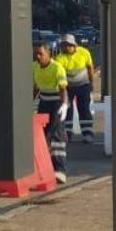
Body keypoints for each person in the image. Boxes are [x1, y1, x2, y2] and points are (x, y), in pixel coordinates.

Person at [32, 42, 69, 184]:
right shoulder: (34, 67)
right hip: (44, 102)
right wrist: (30, 103)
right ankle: (47, 168)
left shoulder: (57, 68)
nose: (37, 56)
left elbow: (63, 89)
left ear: (48, 53)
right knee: (43, 135)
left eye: (40, 54)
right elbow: (35, 87)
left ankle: (60, 170)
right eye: (35, 54)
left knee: (56, 135)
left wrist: (64, 105)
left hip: (57, 103)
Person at [56, 33, 100, 143]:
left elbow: (90, 68)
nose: (67, 47)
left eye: (69, 45)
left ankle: (87, 133)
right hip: (68, 87)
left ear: (74, 45)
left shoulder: (84, 53)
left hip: (83, 85)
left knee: (84, 108)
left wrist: (91, 82)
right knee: (68, 109)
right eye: (64, 45)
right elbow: (60, 74)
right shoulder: (60, 57)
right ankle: (67, 133)